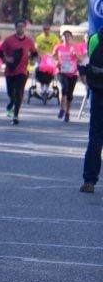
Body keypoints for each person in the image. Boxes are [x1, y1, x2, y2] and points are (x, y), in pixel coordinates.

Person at [0, 20, 38, 125]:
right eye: (18, 27)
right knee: (11, 93)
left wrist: (33, 60)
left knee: (19, 93)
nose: (20, 29)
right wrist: (6, 59)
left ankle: (15, 115)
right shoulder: (9, 40)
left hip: (22, 71)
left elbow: (34, 53)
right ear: (15, 28)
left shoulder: (29, 41)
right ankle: (11, 102)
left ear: (25, 28)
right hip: (10, 71)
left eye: (22, 27)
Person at [81, 26, 103, 193]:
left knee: (95, 137)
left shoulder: (95, 37)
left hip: (98, 92)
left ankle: (89, 181)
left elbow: (87, 60)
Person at [53, 30, 80, 123]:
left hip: (73, 73)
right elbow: (54, 56)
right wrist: (56, 62)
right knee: (64, 88)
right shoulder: (58, 47)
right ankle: (62, 109)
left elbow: (80, 60)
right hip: (62, 71)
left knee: (70, 94)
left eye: (68, 36)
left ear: (71, 38)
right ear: (62, 38)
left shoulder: (75, 47)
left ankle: (68, 112)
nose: (66, 38)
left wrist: (75, 54)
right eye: (64, 36)